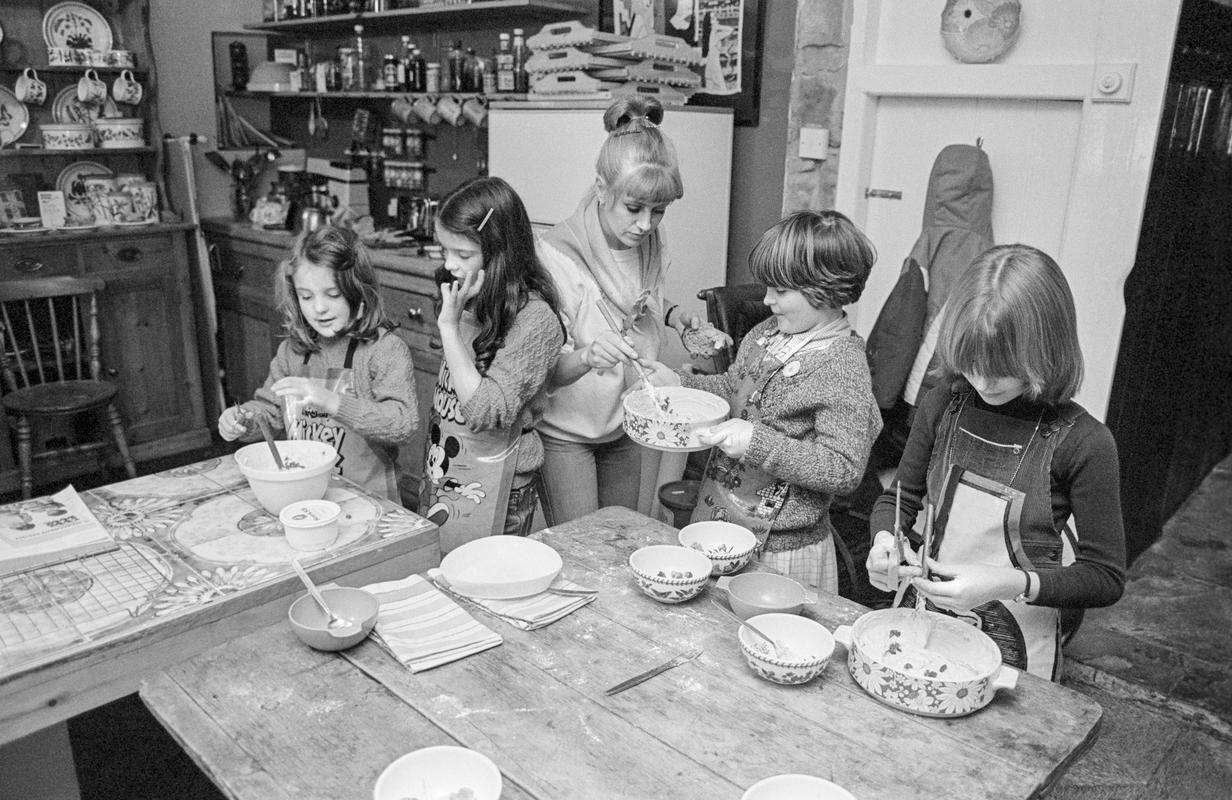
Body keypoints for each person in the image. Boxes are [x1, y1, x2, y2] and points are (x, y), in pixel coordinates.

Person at [865, 244, 1126, 681]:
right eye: (971, 363)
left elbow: (1104, 577)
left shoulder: (1085, 442)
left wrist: (1010, 583)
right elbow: (898, 501)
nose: (983, 381)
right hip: (928, 621)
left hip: (1022, 643)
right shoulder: (941, 405)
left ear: (1047, 351)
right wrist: (884, 543)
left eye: (1002, 368)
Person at [644, 211, 883, 595]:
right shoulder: (766, 334)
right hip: (721, 523)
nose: (767, 300)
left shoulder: (842, 365)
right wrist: (680, 383)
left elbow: (844, 469)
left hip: (781, 551)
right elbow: (734, 386)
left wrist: (756, 443)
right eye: (767, 287)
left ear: (826, 289)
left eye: (781, 291)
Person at [536, 95, 725, 524]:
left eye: (659, 211)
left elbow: (645, 303)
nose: (645, 224)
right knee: (583, 550)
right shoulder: (556, 257)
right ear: (602, 190)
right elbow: (542, 370)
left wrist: (678, 320)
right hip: (568, 433)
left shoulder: (650, 245)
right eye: (634, 208)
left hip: (628, 421)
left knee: (624, 539)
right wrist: (586, 356)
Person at [217, 225, 417, 503]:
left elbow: (402, 424)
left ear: (358, 291)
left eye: (332, 294)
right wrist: (244, 420)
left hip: (370, 502)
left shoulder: (383, 350)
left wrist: (332, 402)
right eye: (306, 296)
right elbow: (270, 411)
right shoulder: (294, 351)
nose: (318, 308)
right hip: (307, 496)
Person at [423, 176, 565, 545]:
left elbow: (485, 412)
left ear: (500, 252)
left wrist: (450, 331)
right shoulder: (473, 294)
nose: (450, 265)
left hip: (503, 488)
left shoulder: (536, 320)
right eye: (445, 251)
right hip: (450, 469)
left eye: (463, 255)